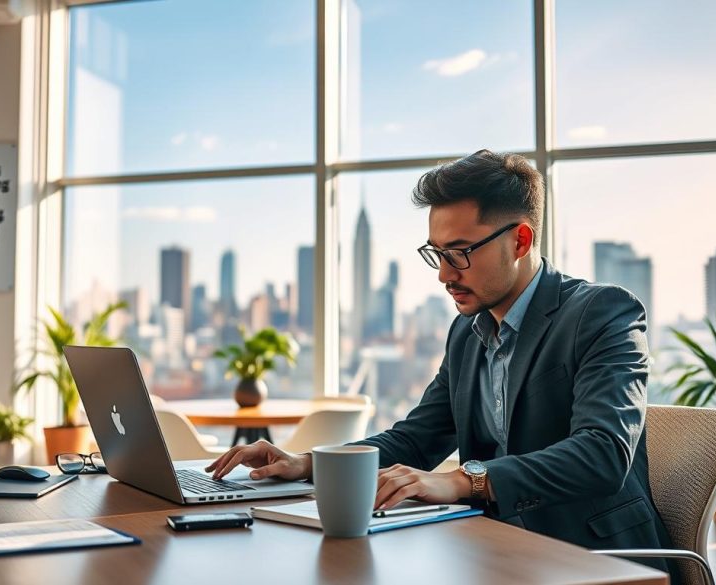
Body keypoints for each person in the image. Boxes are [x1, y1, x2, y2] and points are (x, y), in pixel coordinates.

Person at [208, 149, 677, 578]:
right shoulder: (467, 331)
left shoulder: (602, 312)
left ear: (520, 240)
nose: (444, 274)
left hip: (596, 563)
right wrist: (310, 463)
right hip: (494, 551)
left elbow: (602, 453)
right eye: (437, 253)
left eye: (460, 254)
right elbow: (417, 439)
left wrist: (464, 482)